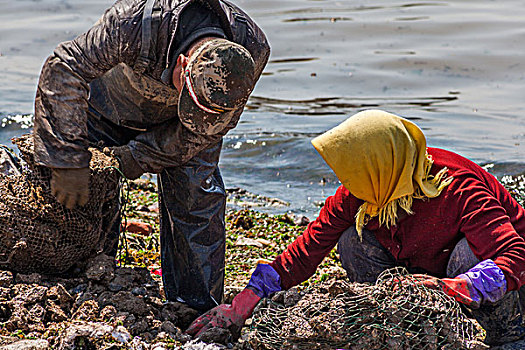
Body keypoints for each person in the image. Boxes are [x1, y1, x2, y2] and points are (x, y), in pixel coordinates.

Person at [187, 109, 525, 347]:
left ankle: (506, 335)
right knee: (352, 239)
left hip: (498, 282)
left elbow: (515, 253)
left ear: (382, 164)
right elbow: (308, 248)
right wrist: (244, 302)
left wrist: (455, 287)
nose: (346, 182)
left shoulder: (456, 188)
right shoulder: (365, 190)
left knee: (469, 254)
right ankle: (400, 323)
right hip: (426, 272)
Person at [32, 0, 270, 312]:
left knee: (198, 201)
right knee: (81, 201)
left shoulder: (251, 49)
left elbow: (203, 131)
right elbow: (64, 67)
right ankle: (87, 289)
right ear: (184, 64)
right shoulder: (132, 24)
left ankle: (195, 308)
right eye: (192, 102)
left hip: (193, 131)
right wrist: (66, 158)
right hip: (105, 110)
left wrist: (134, 157)